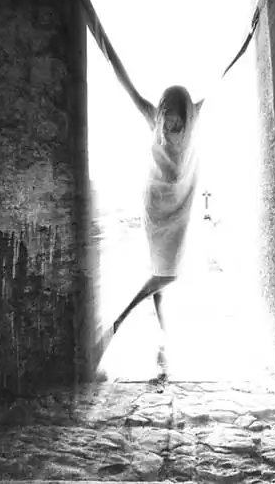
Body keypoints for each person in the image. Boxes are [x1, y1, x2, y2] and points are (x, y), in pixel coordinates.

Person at [93, 84, 204, 380]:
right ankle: (120, 323)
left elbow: (220, 83)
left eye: (177, 122)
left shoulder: (192, 117)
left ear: (185, 116)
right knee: (163, 273)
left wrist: (241, 54)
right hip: (155, 207)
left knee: (166, 273)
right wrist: (107, 53)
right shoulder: (153, 117)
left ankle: (159, 335)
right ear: (163, 113)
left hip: (179, 207)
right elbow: (128, 87)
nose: (171, 127)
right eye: (168, 120)